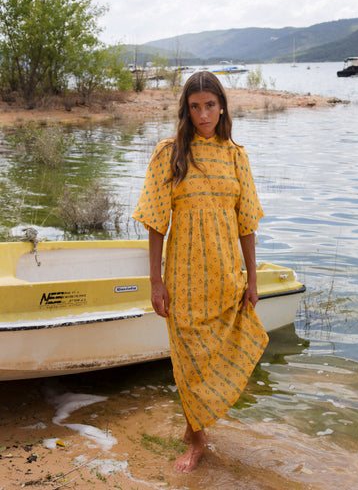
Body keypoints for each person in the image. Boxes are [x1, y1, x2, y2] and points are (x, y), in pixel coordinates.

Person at [133, 71, 268, 473]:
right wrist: (156, 281)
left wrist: (252, 281)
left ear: (222, 106)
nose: (204, 114)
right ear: (186, 110)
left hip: (226, 274)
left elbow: (247, 223)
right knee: (189, 361)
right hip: (185, 276)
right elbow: (156, 222)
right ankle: (197, 439)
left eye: (210, 105)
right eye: (195, 107)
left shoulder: (235, 156)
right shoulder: (170, 153)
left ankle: (195, 426)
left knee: (219, 357)